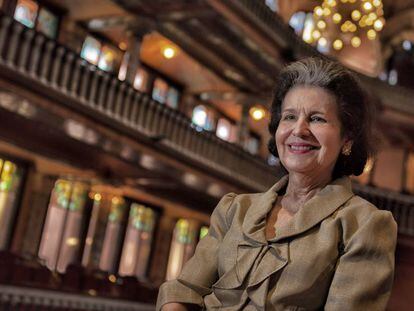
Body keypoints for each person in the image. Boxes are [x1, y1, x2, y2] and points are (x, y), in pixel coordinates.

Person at [156, 57, 397, 310]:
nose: (299, 130)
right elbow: (185, 289)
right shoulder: (234, 209)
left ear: (347, 139)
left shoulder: (365, 225)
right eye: (290, 117)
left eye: (317, 119)